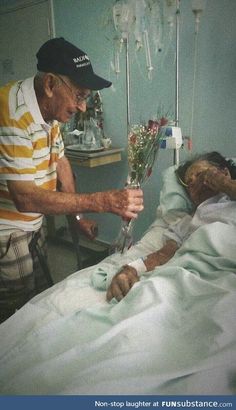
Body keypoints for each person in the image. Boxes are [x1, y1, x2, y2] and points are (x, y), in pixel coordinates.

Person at [0, 37, 143, 322]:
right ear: (51, 84)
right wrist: (103, 201)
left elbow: (61, 163)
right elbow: (25, 197)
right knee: (12, 318)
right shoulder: (11, 112)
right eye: (79, 95)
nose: (81, 107)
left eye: (85, 98)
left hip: (32, 224)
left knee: (39, 301)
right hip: (7, 230)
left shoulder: (49, 112)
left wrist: (77, 219)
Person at [107, 151, 236, 302]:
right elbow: (162, 255)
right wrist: (130, 269)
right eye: (189, 184)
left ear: (225, 172)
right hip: (192, 278)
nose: (193, 183)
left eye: (200, 174)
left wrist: (225, 184)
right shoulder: (185, 223)